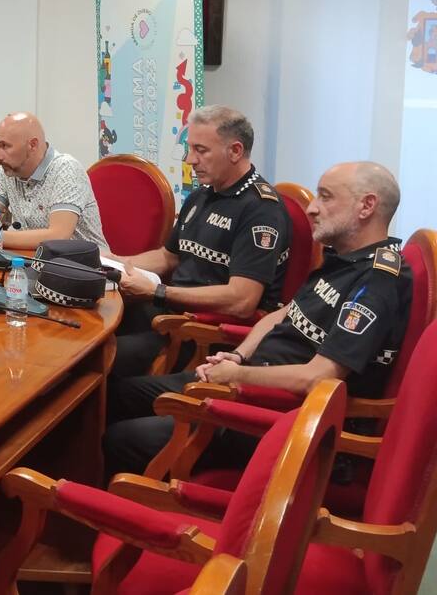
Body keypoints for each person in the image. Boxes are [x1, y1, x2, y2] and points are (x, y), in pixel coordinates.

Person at [104, 161, 411, 477]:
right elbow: (281, 314)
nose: (312, 208)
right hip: (251, 381)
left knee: (121, 438)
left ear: (367, 206)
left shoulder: (378, 282)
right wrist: (238, 356)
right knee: (115, 396)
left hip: (283, 420)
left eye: (326, 196)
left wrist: (239, 374)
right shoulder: (344, 259)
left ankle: (115, 503)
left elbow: (317, 377)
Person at [108, 105, 291, 378]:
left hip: (201, 332)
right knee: (87, 331)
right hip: (169, 311)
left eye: (200, 150)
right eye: (189, 148)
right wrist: (117, 262)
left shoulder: (262, 210)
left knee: (98, 359)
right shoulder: (203, 194)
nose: (189, 159)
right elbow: (168, 257)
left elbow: (242, 300)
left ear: (235, 151)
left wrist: (158, 292)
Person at [0, 112, 108, 251]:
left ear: (32, 145)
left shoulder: (66, 169)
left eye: (5, 146)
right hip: (33, 259)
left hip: (86, 267)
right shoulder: (8, 169)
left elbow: (59, 235)